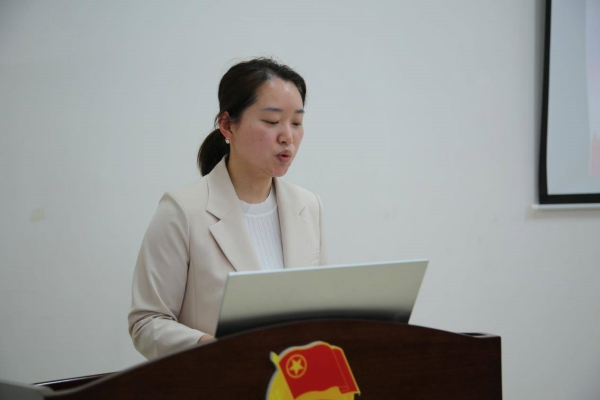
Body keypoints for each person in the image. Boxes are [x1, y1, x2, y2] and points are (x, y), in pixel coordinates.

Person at [128, 58, 329, 359]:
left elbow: (322, 312)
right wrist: (216, 350)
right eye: (272, 121)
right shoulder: (182, 210)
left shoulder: (309, 206)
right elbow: (146, 322)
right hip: (219, 377)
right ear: (227, 125)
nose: (287, 136)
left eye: (297, 123)